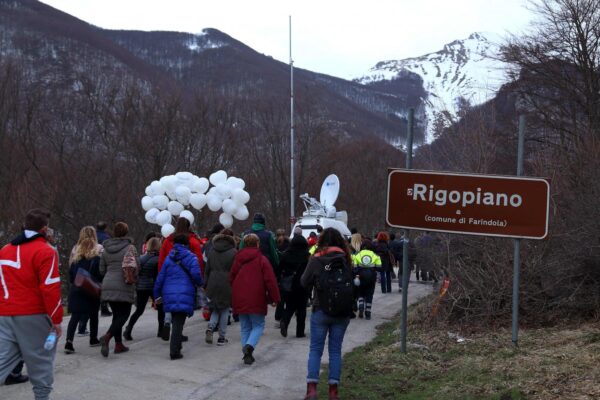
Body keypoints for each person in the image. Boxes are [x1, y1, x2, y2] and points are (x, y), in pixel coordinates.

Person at [0, 208, 63, 400]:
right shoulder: (46, 251)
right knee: (41, 362)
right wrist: (56, 319)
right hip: (33, 315)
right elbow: (50, 287)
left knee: (3, 360)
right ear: (45, 229)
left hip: (4, 314)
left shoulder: (5, 250)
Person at [301, 227, 354, 400]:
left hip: (320, 309)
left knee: (315, 349)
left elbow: (304, 281)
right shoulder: (346, 258)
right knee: (335, 351)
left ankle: (312, 390)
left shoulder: (317, 259)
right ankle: (333, 391)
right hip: (342, 312)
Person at [229, 234, 280, 365]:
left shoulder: (238, 259)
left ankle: (246, 352)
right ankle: (249, 347)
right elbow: (270, 280)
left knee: (245, 326)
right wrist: (275, 297)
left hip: (240, 296)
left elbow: (231, 277)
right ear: (257, 244)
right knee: (258, 325)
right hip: (257, 296)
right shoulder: (262, 260)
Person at [154, 234, 203, 360]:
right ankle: (174, 351)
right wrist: (200, 284)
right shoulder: (192, 258)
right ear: (186, 244)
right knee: (179, 322)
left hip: (169, 292)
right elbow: (196, 275)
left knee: (176, 319)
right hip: (185, 291)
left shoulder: (168, 259)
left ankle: (177, 345)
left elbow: (160, 277)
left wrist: (157, 294)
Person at [157, 217, 204, 340]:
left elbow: (161, 259)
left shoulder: (168, 240)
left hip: (168, 275)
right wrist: (199, 278)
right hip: (186, 278)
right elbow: (198, 260)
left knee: (170, 300)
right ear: (188, 226)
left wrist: (161, 275)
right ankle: (177, 333)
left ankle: (167, 322)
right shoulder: (193, 241)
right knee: (181, 304)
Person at [98, 221, 138, 357]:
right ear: (126, 232)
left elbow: (101, 269)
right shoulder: (130, 248)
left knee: (116, 315)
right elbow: (135, 266)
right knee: (124, 314)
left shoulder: (105, 248)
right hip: (124, 284)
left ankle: (118, 345)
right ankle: (108, 337)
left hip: (108, 283)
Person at [64, 226, 103, 353]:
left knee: (75, 316)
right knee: (93, 314)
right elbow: (100, 271)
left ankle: (69, 342)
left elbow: (71, 271)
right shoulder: (99, 250)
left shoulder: (75, 251)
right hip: (91, 287)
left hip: (78, 286)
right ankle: (93, 338)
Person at [124, 237, 161, 340]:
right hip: (153, 287)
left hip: (141, 287)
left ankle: (128, 329)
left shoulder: (140, 258)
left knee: (139, 310)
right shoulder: (159, 259)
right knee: (161, 309)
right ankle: (161, 331)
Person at [204, 229, 236, 346]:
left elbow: (207, 269)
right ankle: (222, 338)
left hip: (213, 282)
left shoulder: (212, 251)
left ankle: (211, 327)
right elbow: (236, 270)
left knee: (215, 307)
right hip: (227, 283)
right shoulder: (233, 252)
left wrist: (205, 283)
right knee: (225, 310)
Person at [278, 234, 310, 338]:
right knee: (301, 308)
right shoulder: (307, 256)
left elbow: (279, 269)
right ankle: (300, 332)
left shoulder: (286, 255)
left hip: (289, 284)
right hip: (303, 284)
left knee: (290, 306)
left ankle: (284, 321)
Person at [352, 241, 382, 319]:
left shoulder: (357, 255)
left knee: (360, 291)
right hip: (371, 277)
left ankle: (361, 305)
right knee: (369, 294)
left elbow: (354, 267)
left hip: (360, 276)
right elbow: (379, 266)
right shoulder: (375, 255)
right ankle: (368, 312)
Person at [96, 221, 112, 317]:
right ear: (105, 228)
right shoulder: (106, 238)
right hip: (103, 263)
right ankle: (104, 307)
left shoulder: (92, 237)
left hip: (92, 263)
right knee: (103, 287)